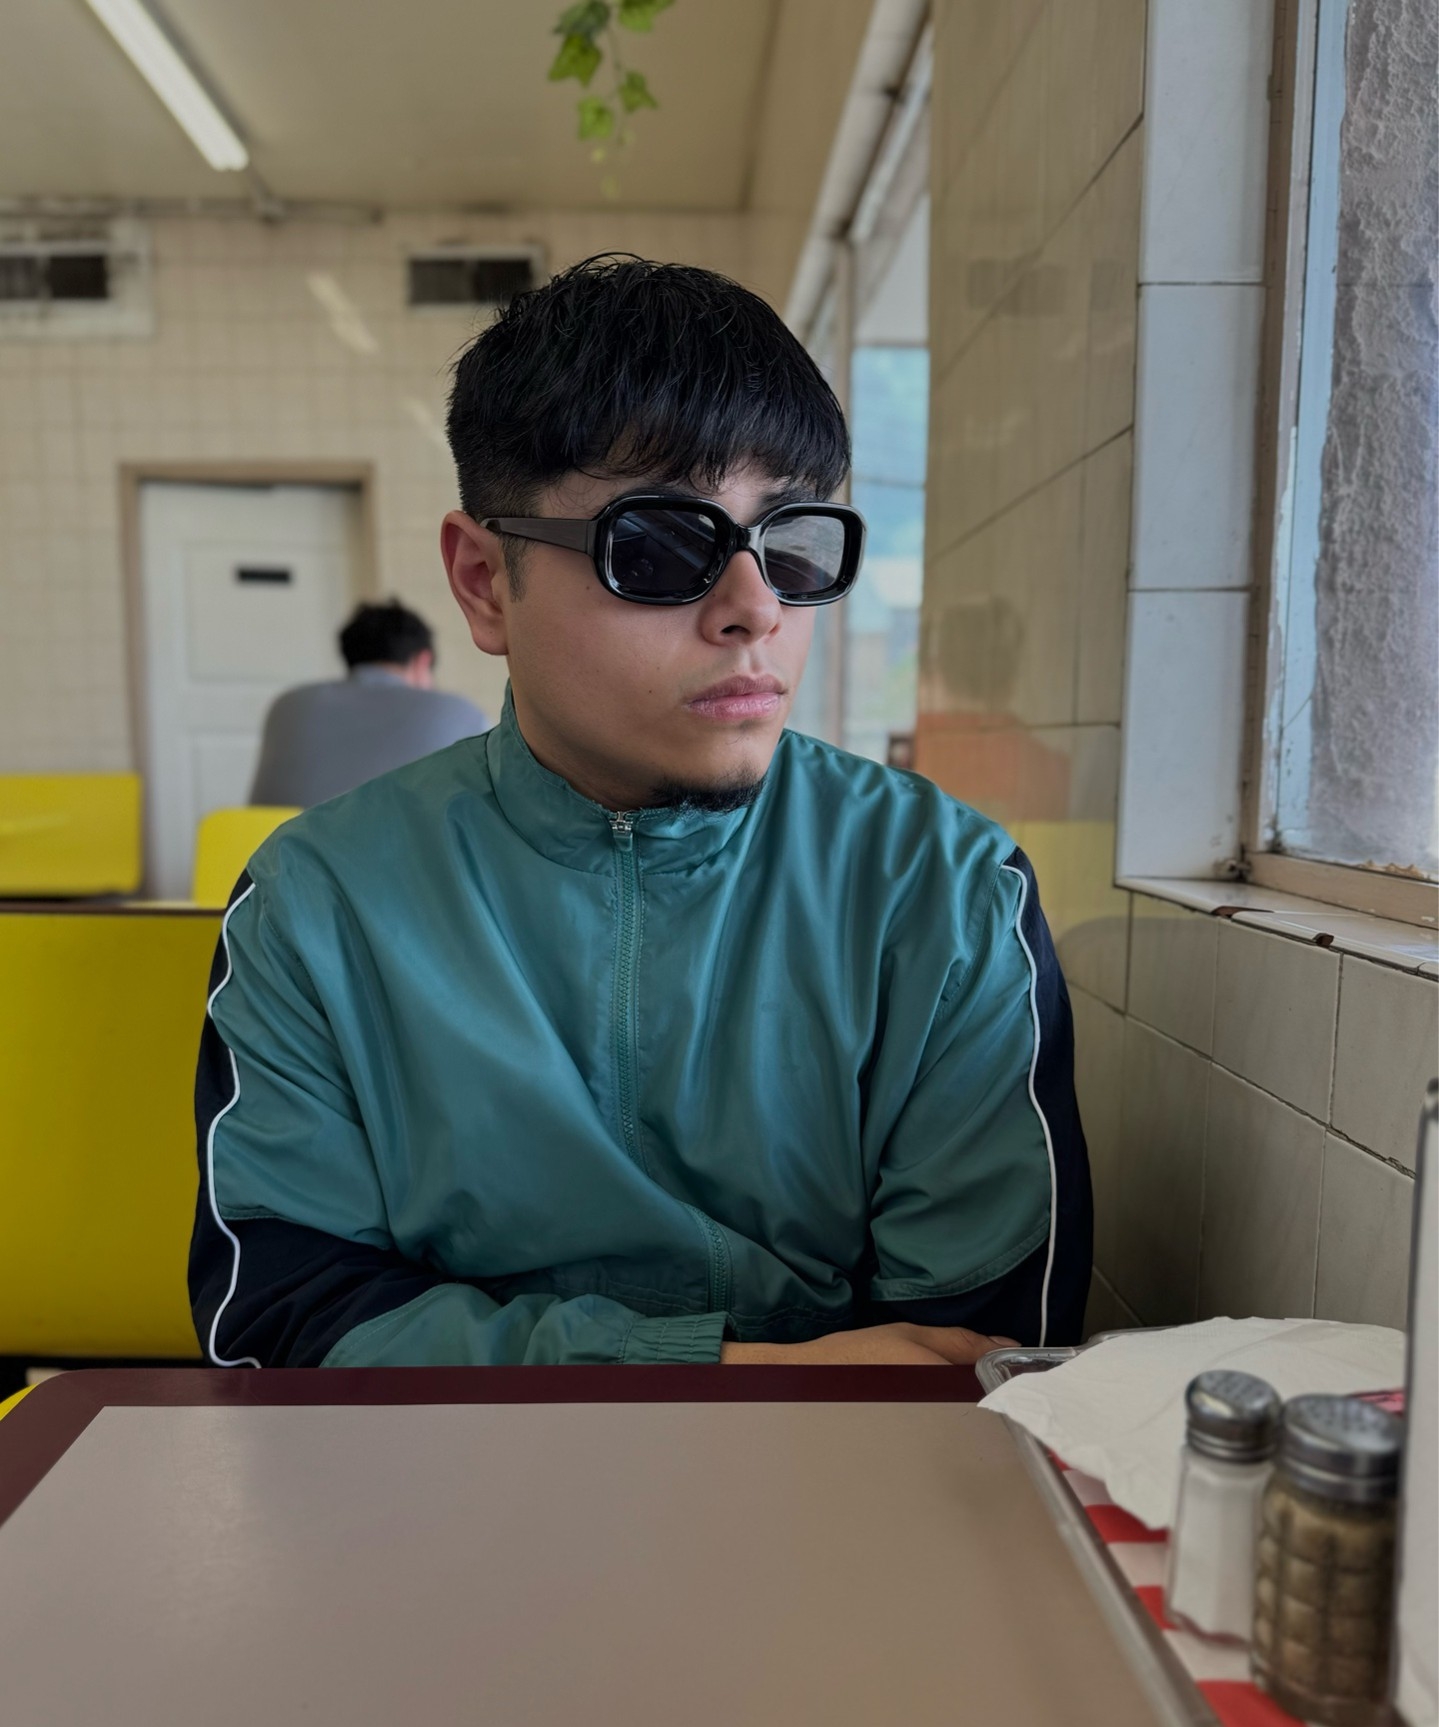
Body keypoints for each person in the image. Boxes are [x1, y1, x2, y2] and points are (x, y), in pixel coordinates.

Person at [189, 256, 1091, 1370]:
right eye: (659, 545)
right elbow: (282, 1320)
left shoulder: (941, 895)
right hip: (441, 1477)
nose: (755, 607)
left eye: (792, 542)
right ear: (484, 582)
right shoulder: (318, 906)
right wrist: (728, 1373)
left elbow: (976, 1358)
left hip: (834, 1481)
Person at [248, 599, 486, 808]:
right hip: (404, 845)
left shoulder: (289, 707)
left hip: (275, 845)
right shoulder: (458, 712)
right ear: (422, 661)